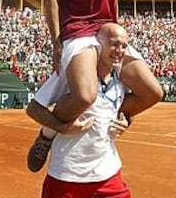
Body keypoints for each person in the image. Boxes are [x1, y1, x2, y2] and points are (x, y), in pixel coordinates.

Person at [28, 0, 164, 172]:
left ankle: (115, 116)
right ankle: (47, 134)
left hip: (104, 32)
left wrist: (117, 39)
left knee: (154, 92)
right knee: (85, 95)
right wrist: (57, 41)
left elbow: (110, 10)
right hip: (77, 31)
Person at [26, 23, 137, 197]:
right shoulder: (71, 73)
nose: (120, 50)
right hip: (67, 175)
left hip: (108, 172)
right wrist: (62, 127)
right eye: (114, 44)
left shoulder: (122, 77)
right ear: (97, 45)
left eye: (124, 46)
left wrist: (127, 121)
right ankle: (46, 135)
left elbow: (121, 109)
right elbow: (33, 109)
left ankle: (48, 133)